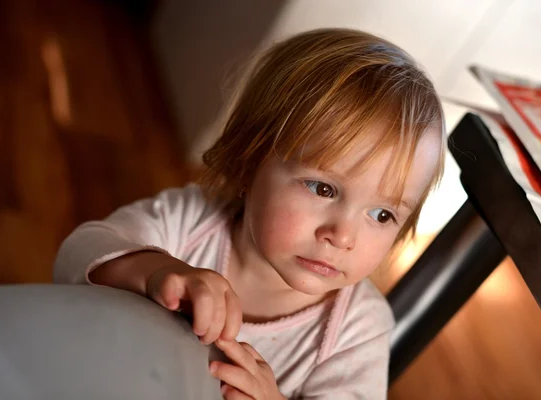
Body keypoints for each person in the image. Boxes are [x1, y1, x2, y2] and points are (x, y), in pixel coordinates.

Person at [54, 28, 446, 399]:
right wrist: (155, 271)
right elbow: (75, 255)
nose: (342, 236)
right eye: (323, 188)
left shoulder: (356, 331)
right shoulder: (191, 223)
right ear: (250, 160)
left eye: (381, 215)